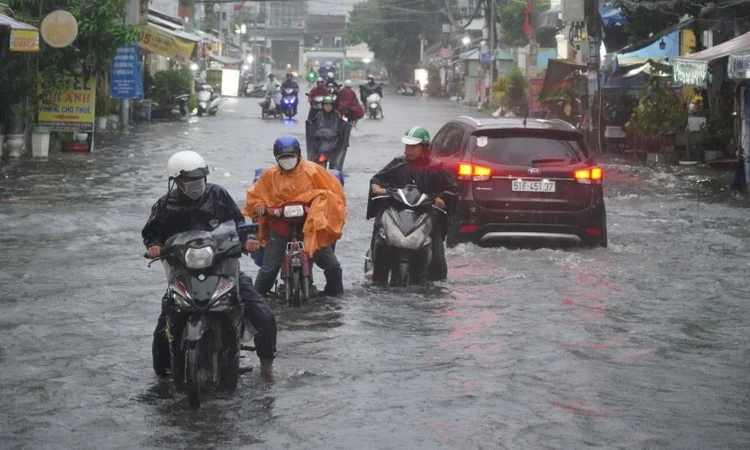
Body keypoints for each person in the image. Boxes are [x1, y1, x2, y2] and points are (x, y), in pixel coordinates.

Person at [142, 151, 277, 379]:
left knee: (264, 315)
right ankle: (164, 377)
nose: (196, 184)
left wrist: (246, 242)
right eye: (189, 181)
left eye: (199, 179)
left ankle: (267, 368)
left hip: (224, 270)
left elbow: (237, 224)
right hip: (183, 274)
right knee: (162, 330)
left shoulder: (218, 195)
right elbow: (152, 234)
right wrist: (154, 246)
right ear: (175, 181)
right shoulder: (165, 205)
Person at [244, 137, 347, 296]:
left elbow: (334, 193)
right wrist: (260, 207)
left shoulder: (314, 171)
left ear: (298, 155)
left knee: (333, 266)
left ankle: (336, 296)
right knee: (268, 270)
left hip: (310, 227)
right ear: (276, 158)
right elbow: (255, 196)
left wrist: (322, 205)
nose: (287, 161)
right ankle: (256, 302)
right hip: (280, 226)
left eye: (290, 156)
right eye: (283, 157)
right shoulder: (269, 176)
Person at [367, 127, 458, 280]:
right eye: (407, 146)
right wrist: (377, 189)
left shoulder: (437, 167)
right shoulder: (398, 163)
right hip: (397, 213)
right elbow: (377, 179)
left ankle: (438, 279)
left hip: (425, 215)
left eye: (413, 146)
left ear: (424, 148)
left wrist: (442, 198)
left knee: (438, 257)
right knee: (379, 229)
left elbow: (453, 189)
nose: (408, 150)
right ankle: (375, 264)